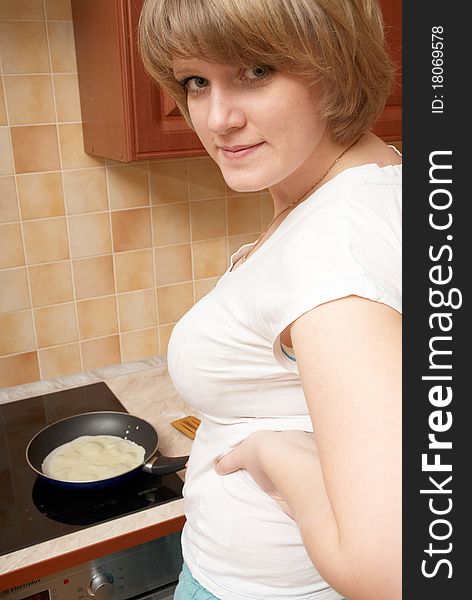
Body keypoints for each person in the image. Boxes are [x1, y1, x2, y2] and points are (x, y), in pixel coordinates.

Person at [139, 1, 401, 598]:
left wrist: (271, 454)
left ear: (338, 67)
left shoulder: (335, 247)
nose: (217, 117)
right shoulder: (368, 183)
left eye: (256, 71)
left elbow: (392, 569)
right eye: (196, 82)